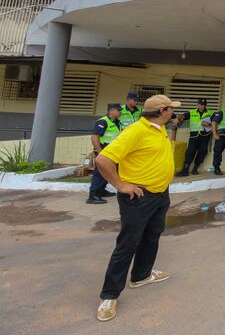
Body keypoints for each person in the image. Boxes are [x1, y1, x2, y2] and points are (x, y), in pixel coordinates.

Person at [93, 94, 180, 322]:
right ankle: (110, 295)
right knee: (128, 243)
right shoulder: (135, 131)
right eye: (171, 109)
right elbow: (103, 160)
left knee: (152, 236)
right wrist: (121, 185)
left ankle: (141, 275)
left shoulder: (158, 128)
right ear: (162, 112)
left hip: (160, 194)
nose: (173, 112)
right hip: (139, 198)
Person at [86, 103, 123, 205]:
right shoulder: (103, 122)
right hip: (104, 151)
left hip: (112, 152)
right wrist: (100, 152)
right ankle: (93, 195)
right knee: (99, 173)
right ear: (111, 111)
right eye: (118, 110)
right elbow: (94, 138)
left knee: (107, 172)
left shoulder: (117, 122)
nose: (120, 112)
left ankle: (101, 190)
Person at [172, 98, 215, 176]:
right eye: (201, 105)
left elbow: (216, 122)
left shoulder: (211, 113)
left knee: (202, 153)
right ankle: (185, 170)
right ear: (198, 105)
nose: (203, 106)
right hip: (194, 136)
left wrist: (208, 124)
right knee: (190, 153)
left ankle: (195, 168)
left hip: (205, 136)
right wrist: (178, 119)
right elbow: (183, 116)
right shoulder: (192, 112)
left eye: (204, 105)